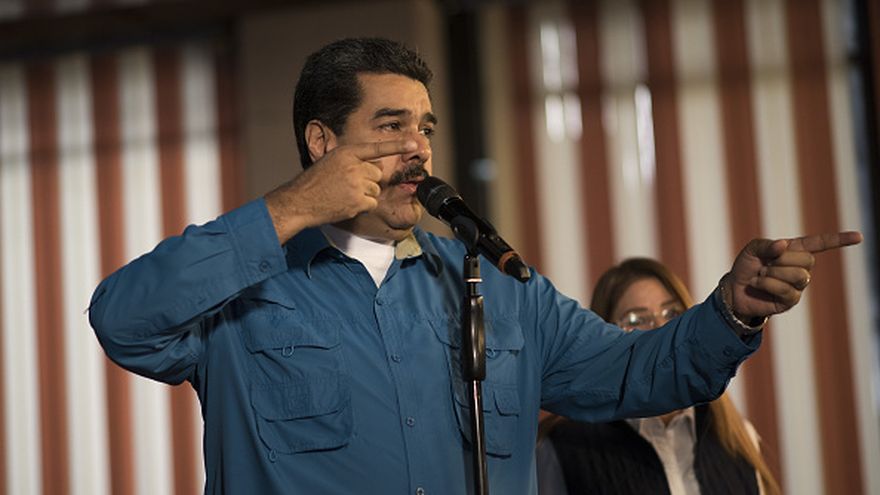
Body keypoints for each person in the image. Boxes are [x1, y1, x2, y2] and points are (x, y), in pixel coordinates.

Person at [87, 37, 860, 494]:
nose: (417, 148)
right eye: (390, 126)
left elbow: (637, 371)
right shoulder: (241, 293)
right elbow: (122, 320)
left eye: (424, 127)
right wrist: (289, 207)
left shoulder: (494, 287)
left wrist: (732, 309)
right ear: (322, 142)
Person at [536, 258, 781, 495]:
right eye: (637, 320)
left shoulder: (738, 437)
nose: (663, 328)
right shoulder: (561, 446)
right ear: (606, 339)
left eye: (672, 313)